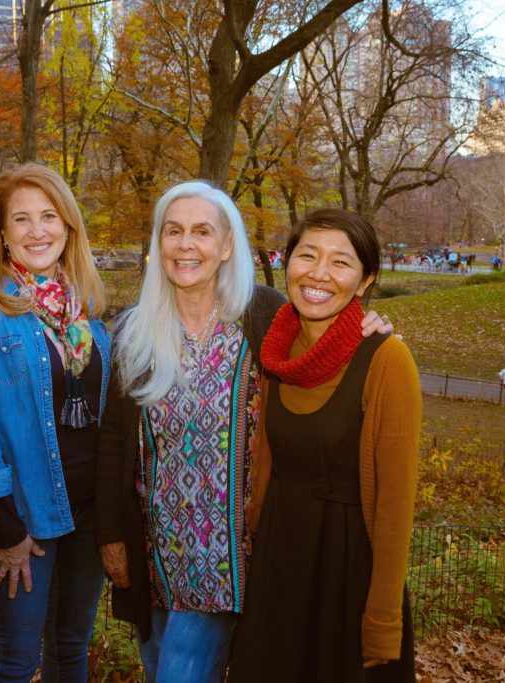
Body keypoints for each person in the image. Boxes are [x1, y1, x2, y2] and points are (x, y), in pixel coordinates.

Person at [96, 183, 392, 683]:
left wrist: (372, 330)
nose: (186, 244)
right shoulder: (132, 331)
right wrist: (110, 536)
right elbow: (112, 441)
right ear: (159, 243)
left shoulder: (266, 315)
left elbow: (329, 346)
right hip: (156, 554)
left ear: (227, 245)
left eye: (202, 231)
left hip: (230, 559)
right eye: (174, 231)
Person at [228, 208, 420, 682]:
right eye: (307, 255)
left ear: (364, 280)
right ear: (286, 263)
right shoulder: (275, 350)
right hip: (279, 566)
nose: (318, 273)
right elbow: (266, 463)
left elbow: (396, 508)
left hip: (346, 573)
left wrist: (382, 621)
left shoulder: (386, 359)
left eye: (340, 262)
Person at [0, 163, 110, 683]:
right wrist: (4, 528)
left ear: (68, 225)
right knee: (15, 664)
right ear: (2, 232)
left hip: (87, 517)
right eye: (21, 219)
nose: (37, 230)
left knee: (70, 649)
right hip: (21, 521)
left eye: (49, 216)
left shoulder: (88, 314)